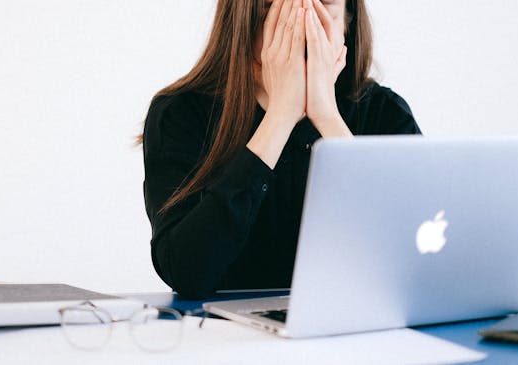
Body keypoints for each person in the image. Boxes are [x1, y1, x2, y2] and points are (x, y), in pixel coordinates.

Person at [140, 0, 421, 299]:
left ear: (347, 23)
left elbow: (415, 258)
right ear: (242, 21)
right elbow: (186, 272)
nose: (301, 22)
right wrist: (281, 115)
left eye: (324, 5)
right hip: (225, 338)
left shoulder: (384, 112)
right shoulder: (180, 113)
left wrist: (326, 115)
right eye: (274, 5)